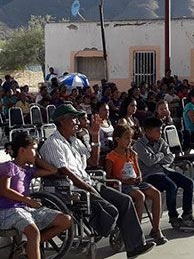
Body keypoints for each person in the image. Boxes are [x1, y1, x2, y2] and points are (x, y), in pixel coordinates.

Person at [39, 104, 155, 258]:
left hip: (89, 182)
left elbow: (93, 161)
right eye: (73, 118)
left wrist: (95, 136)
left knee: (125, 200)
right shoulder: (53, 144)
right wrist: (88, 188)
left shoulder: (75, 140)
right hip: (72, 189)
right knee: (111, 210)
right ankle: (110, 229)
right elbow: (66, 173)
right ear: (62, 121)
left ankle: (135, 246)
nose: (77, 121)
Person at [0, 133, 72, 259]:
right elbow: (4, 190)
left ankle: (27, 246)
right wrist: (27, 200)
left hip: (26, 209)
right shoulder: (9, 167)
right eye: (34, 149)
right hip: (8, 210)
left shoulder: (28, 171)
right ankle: (31, 247)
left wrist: (35, 158)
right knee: (33, 232)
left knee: (66, 220)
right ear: (22, 150)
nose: (36, 152)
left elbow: (52, 170)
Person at [134, 117, 194, 232]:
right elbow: (149, 161)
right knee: (171, 186)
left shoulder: (161, 141)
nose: (160, 133)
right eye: (157, 131)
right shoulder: (139, 145)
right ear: (147, 131)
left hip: (166, 170)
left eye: (160, 130)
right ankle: (173, 217)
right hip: (150, 175)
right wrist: (161, 155)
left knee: (188, 183)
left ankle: (187, 215)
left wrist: (158, 156)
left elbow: (170, 157)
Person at [105, 125, 167, 245]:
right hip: (121, 185)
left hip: (134, 183)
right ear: (118, 140)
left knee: (156, 193)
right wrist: (124, 181)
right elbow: (108, 177)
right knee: (139, 196)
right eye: (126, 138)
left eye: (130, 138)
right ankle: (135, 233)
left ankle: (156, 229)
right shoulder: (111, 156)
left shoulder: (132, 154)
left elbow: (138, 171)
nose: (129, 141)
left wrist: (138, 177)